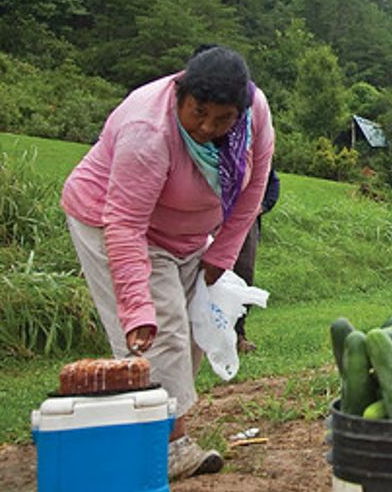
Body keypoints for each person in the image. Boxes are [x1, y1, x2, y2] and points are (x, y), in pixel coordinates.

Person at [61, 46, 275, 481]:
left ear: (242, 109)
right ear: (181, 92)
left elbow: (254, 187)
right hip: (112, 222)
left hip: (188, 233)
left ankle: (152, 425)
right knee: (163, 328)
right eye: (198, 113)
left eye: (222, 119)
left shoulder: (255, 115)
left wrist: (222, 253)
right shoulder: (147, 129)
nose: (207, 128)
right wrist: (136, 308)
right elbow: (123, 224)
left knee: (196, 325)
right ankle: (168, 445)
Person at [232, 165, 279, 353]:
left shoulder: (253, 142)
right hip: (210, 215)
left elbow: (272, 181)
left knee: (243, 276)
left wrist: (263, 205)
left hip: (246, 221)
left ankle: (238, 335)